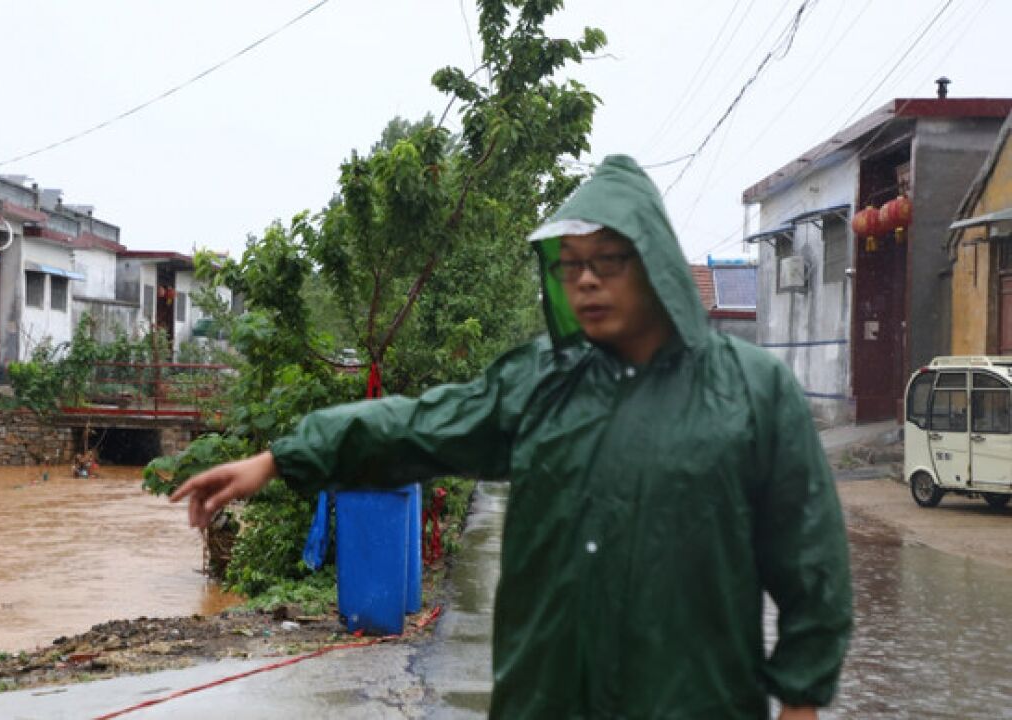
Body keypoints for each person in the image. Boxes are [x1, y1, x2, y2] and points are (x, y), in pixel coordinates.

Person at [172, 155, 852, 719]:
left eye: (608, 259)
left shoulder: (752, 392)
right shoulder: (539, 385)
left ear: (655, 265)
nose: (585, 278)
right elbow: (416, 425)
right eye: (569, 262)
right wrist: (280, 459)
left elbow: (809, 559)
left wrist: (800, 701)